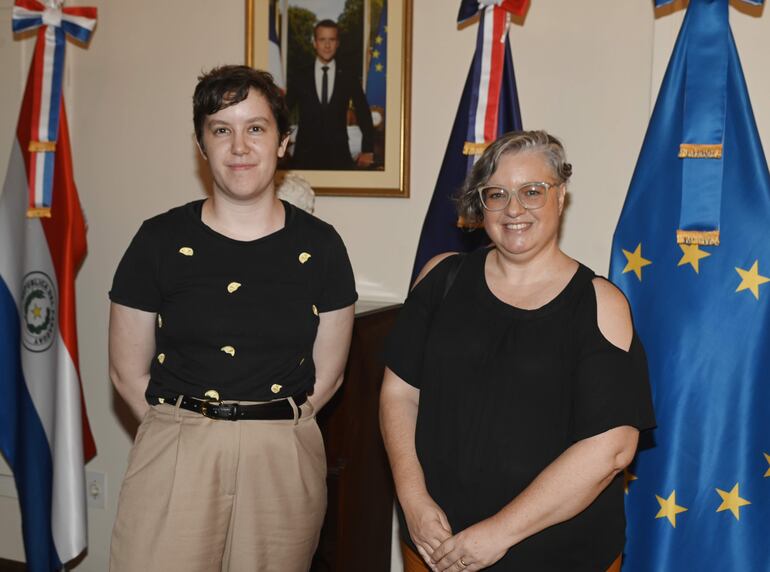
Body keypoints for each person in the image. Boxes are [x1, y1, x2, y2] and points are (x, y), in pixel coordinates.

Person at [107, 65, 357, 571]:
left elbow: (328, 375)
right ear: (202, 145)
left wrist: (263, 433)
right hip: (177, 448)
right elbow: (126, 372)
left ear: (282, 142)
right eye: (221, 129)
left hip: (280, 457)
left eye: (256, 128)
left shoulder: (322, 246)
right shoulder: (156, 241)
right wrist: (186, 432)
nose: (239, 146)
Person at [380, 131, 656, 571]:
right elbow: (399, 395)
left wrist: (498, 533)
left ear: (560, 196)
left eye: (532, 191)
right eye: (497, 194)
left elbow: (613, 449)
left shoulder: (601, 303)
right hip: (435, 548)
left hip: (558, 555)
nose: (514, 209)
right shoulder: (440, 279)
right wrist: (412, 498)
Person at [286, 19, 374, 170]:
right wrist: (276, 144)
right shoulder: (300, 75)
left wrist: (367, 150)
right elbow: (283, 111)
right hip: (305, 156)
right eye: (322, 40)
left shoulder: (348, 75)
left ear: (337, 43)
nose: (327, 45)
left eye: (331, 40)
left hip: (338, 155)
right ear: (314, 43)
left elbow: (363, 112)